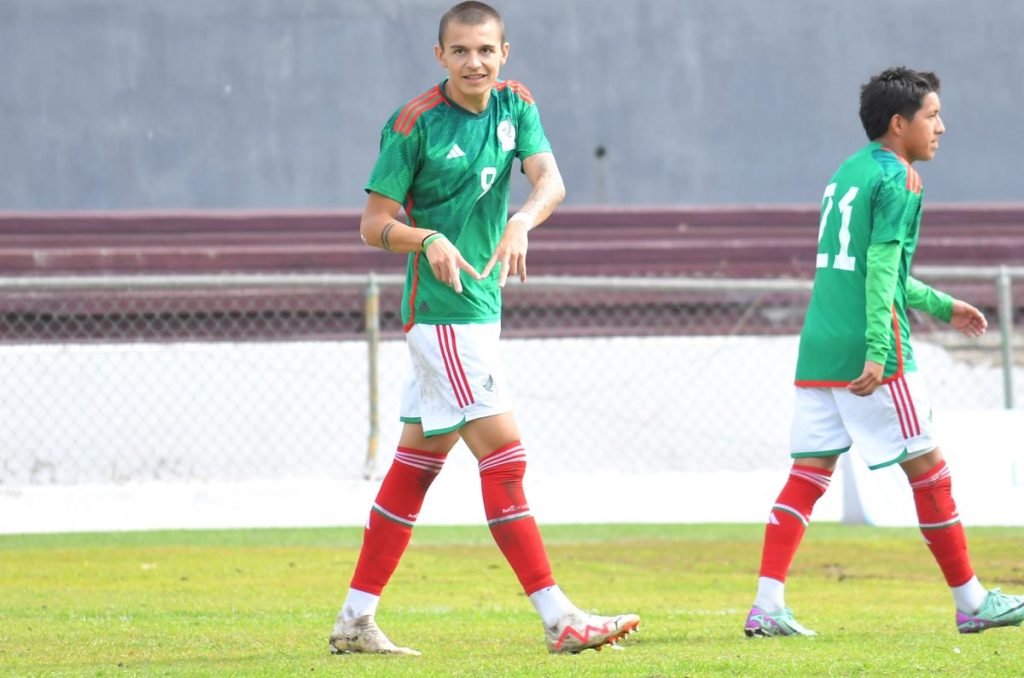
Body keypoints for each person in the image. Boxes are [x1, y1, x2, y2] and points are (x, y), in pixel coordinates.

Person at [329, 1, 640, 656]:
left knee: (416, 467)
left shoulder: (515, 104)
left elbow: (550, 179)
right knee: (505, 456)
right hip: (441, 315)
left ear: (505, 55)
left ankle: (355, 620)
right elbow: (372, 224)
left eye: (486, 51)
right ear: (440, 56)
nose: (476, 62)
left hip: (478, 312)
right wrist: (425, 238)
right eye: (462, 51)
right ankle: (560, 619)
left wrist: (524, 219)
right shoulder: (413, 124)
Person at [744, 67, 1024, 637]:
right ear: (899, 124)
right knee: (930, 471)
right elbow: (878, 270)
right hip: (873, 348)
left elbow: (873, 268)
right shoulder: (901, 179)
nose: (942, 127)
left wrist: (944, 306)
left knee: (809, 473)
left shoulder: (847, 172)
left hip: (819, 343)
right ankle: (970, 600)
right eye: (932, 116)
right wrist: (878, 349)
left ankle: (766, 604)